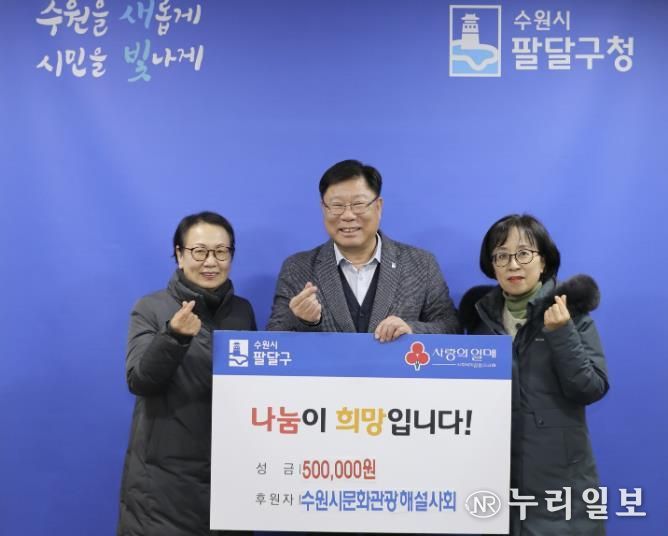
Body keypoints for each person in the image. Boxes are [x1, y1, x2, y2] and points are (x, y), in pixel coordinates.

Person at [460, 214, 609, 535]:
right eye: (501, 256)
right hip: (493, 485)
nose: (513, 265)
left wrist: (562, 333)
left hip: (560, 487)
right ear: (492, 266)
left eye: (524, 254)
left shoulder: (572, 315)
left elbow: (591, 388)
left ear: (544, 262)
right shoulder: (478, 321)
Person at [117, 211, 256, 536]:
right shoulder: (151, 309)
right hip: (163, 487)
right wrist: (174, 336)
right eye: (200, 251)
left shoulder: (242, 311)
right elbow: (139, 379)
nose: (211, 262)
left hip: (230, 478)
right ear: (179, 255)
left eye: (221, 252)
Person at [266, 159, 459, 338]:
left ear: (378, 206)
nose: (348, 215)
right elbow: (273, 337)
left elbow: (451, 327)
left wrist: (411, 330)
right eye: (337, 205)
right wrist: (304, 320)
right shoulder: (298, 268)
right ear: (323, 209)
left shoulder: (421, 264)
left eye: (358, 204)